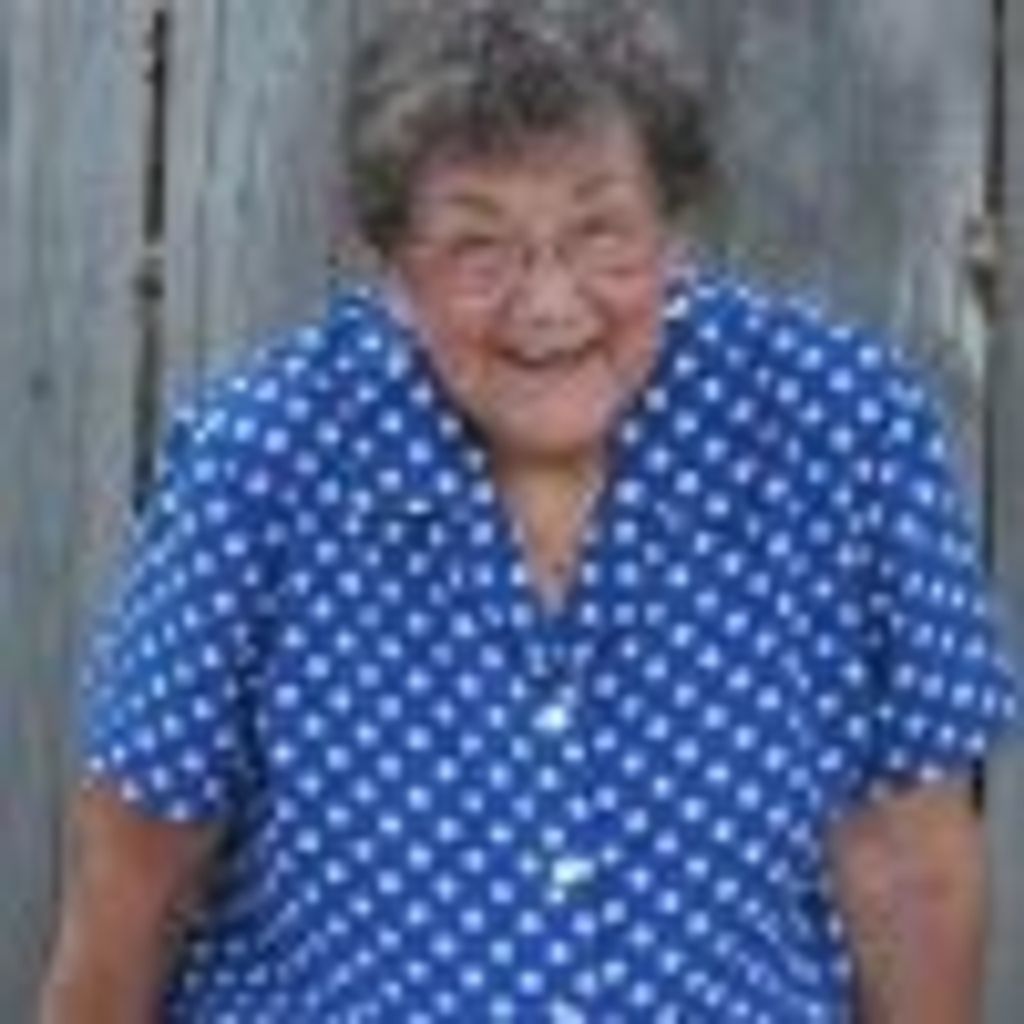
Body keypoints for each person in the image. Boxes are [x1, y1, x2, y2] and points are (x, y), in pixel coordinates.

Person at [41, 1, 1019, 1021]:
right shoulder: (261, 462)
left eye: (600, 233)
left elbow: (908, 871)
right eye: (480, 247)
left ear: (671, 229)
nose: (549, 304)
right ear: (394, 267)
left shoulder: (839, 429)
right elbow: (134, 882)